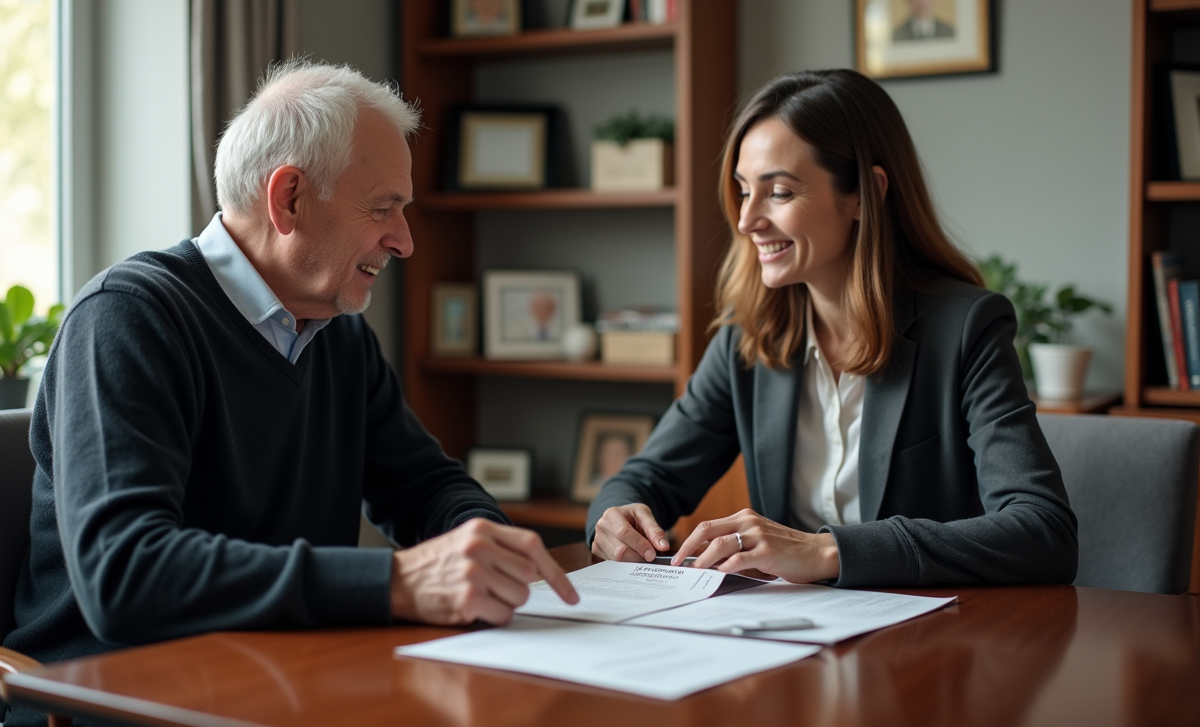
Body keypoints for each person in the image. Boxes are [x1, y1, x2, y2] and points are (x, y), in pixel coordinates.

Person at [2, 62, 577, 724]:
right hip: (110, 704)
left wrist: (486, 549)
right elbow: (125, 573)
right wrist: (397, 582)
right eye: (382, 209)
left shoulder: (337, 335)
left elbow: (423, 487)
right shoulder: (127, 317)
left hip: (275, 687)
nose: (404, 241)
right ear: (290, 199)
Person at [587, 69, 1078, 588]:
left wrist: (827, 551)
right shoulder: (745, 338)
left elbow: (1042, 532)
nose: (747, 219)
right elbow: (646, 478)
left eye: (777, 192)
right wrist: (618, 517)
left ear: (865, 195)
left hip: (928, 643)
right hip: (785, 637)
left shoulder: (965, 330)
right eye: (742, 190)